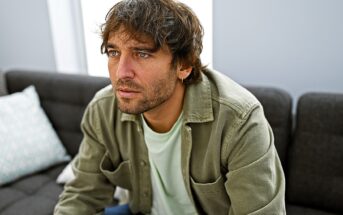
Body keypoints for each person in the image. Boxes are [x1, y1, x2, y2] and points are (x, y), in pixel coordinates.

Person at [54, 0, 286, 214]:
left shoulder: (239, 120)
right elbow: (82, 195)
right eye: (114, 52)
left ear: (184, 65)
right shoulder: (103, 110)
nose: (121, 72)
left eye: (142, 53)